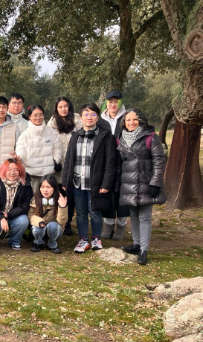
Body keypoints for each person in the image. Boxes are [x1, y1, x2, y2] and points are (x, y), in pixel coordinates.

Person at [62, 103, 116, 253]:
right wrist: (65, 182)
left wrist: (106, 183)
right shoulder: (75, 136)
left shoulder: (105, 136)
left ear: (97, 117)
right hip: (78, 183)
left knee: (95, 212)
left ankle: (96, 238)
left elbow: (110, 163)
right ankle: (83, 239)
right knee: (80, 213)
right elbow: (68, 161)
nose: (89, 117)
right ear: (81, 117)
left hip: (96, 183)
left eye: (93, 114)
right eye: (86, 114)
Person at [117, 109, 166, 265]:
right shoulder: (120, 138)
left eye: (134, 119)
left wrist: (155, 182)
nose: (131, 123)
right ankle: (136, 244)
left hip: (146, 184)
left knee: (145, 217)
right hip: (129, 184)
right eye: (128, 120)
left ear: (141, 120)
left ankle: (144, 250)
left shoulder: (150, 137)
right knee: (133, 216)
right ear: (123, 122)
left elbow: (159, 161)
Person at [46, 96, 82, 235]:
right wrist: (54, 161)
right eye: (60, 107)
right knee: (60, 193)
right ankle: (57, 221)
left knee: (72, 195)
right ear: (56, 108)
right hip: (58, 165)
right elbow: (49, 144)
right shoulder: (52, 124)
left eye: (65, 106)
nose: (63, 109)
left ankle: (68, 222)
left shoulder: (78, 121)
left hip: (75, 163)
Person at [0, 157, 32, 250]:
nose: (13, 172)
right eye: (9, 169)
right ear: (4, 170)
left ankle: (15, 240)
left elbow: (24, 206)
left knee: (23, 221)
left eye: (16, 170)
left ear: (20, 171)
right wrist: (1, 217)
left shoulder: (25, 186)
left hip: (13, 216)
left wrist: (9, 215)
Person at [100, 90, 129, 240]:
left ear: (120, 102)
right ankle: (108, 224)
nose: (113, 104)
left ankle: (121, 225)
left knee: (122, 195)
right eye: (110, 102)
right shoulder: (101, 120)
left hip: (123, 162)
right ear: (106, 103)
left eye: (115, 102)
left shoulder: (127, 118)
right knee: (107, 194)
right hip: (106, 163)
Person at [16, 105, 62, 192]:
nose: (38, 117)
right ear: (30, 117)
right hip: (32, 175)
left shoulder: (51, 132)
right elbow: (20, 151)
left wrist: (56, 160)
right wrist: (19, 158)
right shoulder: (25, 135)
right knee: (34, 202)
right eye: (35, 115)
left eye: (41, 114)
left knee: (49, 201)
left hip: (49, 174)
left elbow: (57, 148)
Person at [28, 175, 68, 254]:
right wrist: (39, 222)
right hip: (41, 228)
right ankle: (38, 243)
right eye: (42, 187)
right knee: (37, 226)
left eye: (48, 187)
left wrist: (62, 207)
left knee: (52, 225)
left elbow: (62, 223)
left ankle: (52, 244)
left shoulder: (60, 199)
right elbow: (30, 216)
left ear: (54, 188)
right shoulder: (35, 199)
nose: (45, 190)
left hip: (54, 230)